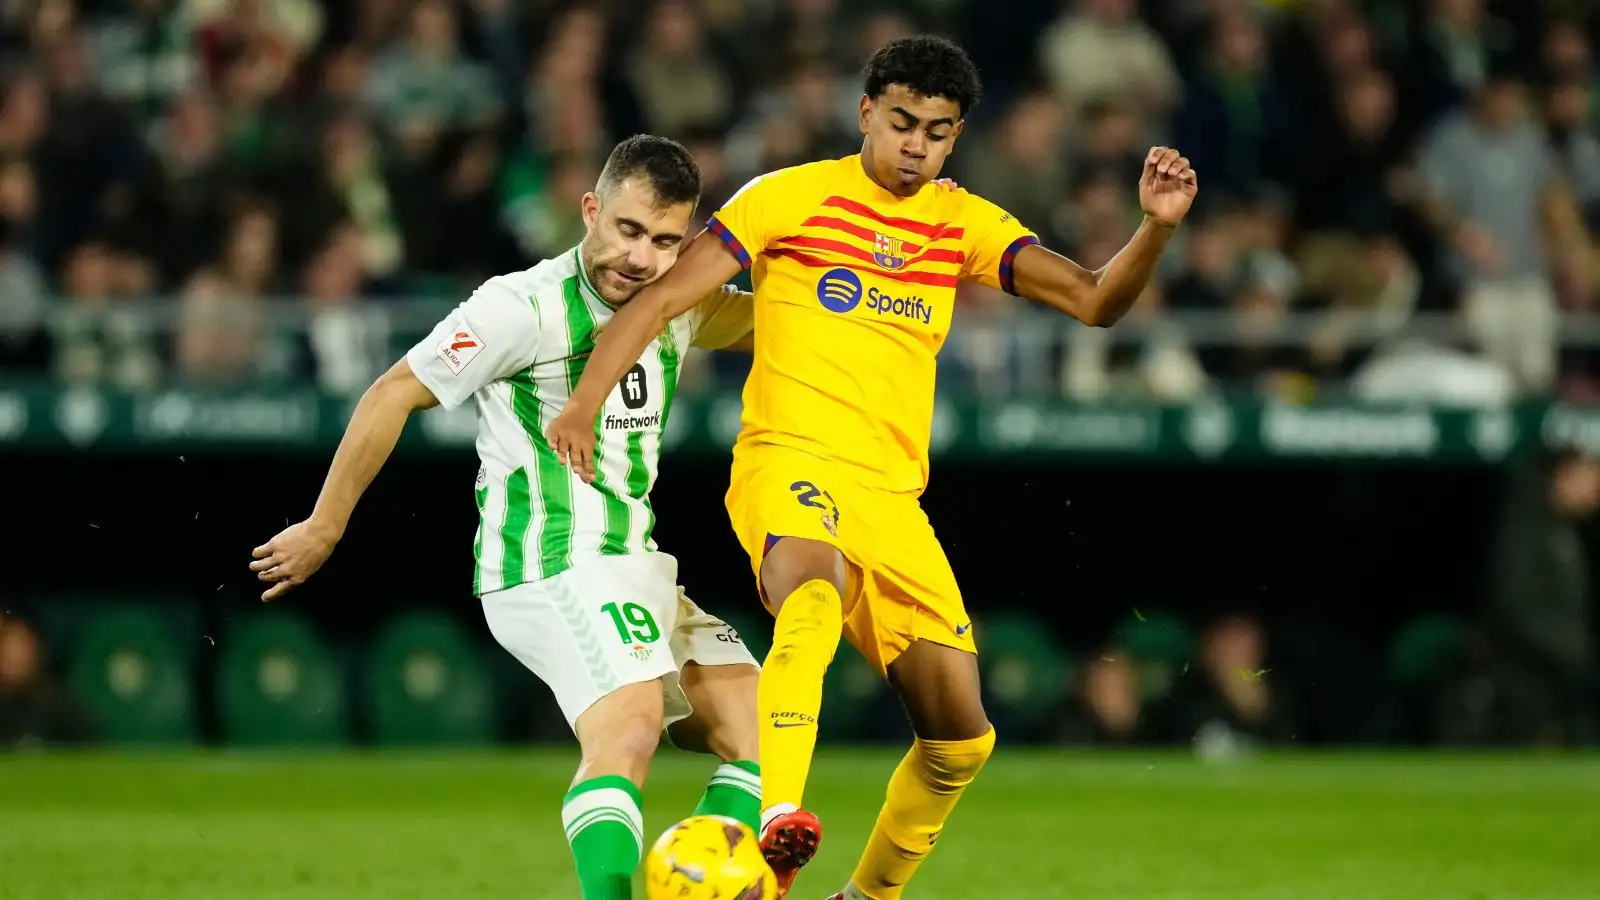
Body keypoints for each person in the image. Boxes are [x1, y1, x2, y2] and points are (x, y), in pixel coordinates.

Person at [546, 36, 1198, 900]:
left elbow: (1093, 300)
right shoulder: (788, 199)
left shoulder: (964, 223)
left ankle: (866, 896)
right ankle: (778, 818)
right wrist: (585, 401)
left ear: (956, 136)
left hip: (891, 498)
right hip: (789, 461)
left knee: (960, 741)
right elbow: (667, 297)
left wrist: (1153, 228)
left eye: (937, 130)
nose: (915, 145)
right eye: (900, 124)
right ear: (866, 115)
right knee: (811, 596)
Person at [249, 134, 766, 900]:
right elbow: (395, 391)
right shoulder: (518, 308)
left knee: (760, 727)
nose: (641, 257)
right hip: (548, 561)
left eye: (663, 241)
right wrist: (325, 525)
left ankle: (696, 884)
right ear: (590, 210)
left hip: (635, 562)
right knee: (625, 731)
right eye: (627, 230)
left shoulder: (677, 305)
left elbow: (784, 324)